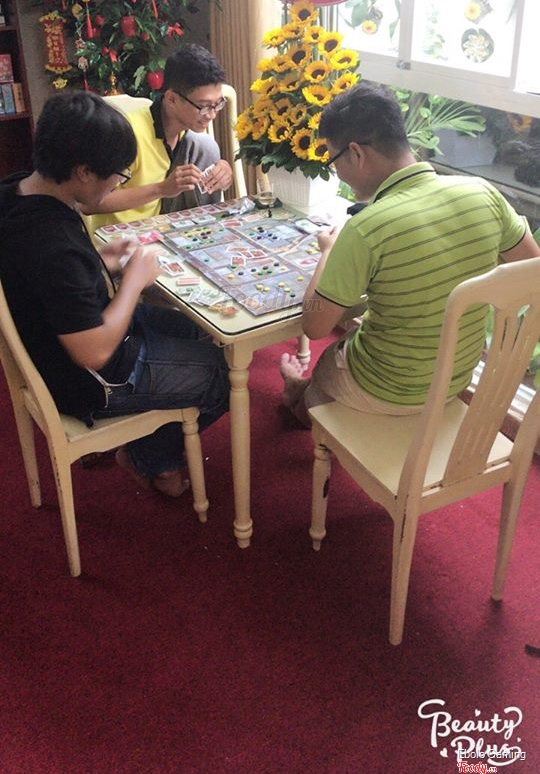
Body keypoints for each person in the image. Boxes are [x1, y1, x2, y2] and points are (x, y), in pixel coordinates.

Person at [0, 91, 229, 497]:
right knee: (222, 376)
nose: (117, 184)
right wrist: (134, 282)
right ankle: (149, 457)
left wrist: (101, 262)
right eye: (118, 175)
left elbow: (50, 285)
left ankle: (154, 433)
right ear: (84, 172)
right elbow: (94, 352)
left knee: (196, 328)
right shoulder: (53, 245)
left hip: (66, 331)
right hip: (91, 377)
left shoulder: (19, 189)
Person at [281, 82, 540, 426]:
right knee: (356, 342)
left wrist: (328, 252)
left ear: (356, 153)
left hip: (386, 389)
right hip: (456, 378)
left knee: (330, 356)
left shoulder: (366, 227)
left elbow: (314, 325)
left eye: (332, 159)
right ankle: (306, 392)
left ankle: (302, 401)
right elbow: (532, 268)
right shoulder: (483, 192)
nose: (335, 170)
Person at [83, 44, 234, 234]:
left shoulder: (188, 135)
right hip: (120, 239)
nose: (211, 114)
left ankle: (207, 234)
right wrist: (162, 189)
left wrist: (223, 174)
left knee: (206, 146)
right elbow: (89, 203)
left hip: (162, 228)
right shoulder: (128, 133)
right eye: (203, 106)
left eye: (217, 104)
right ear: (171, 99)